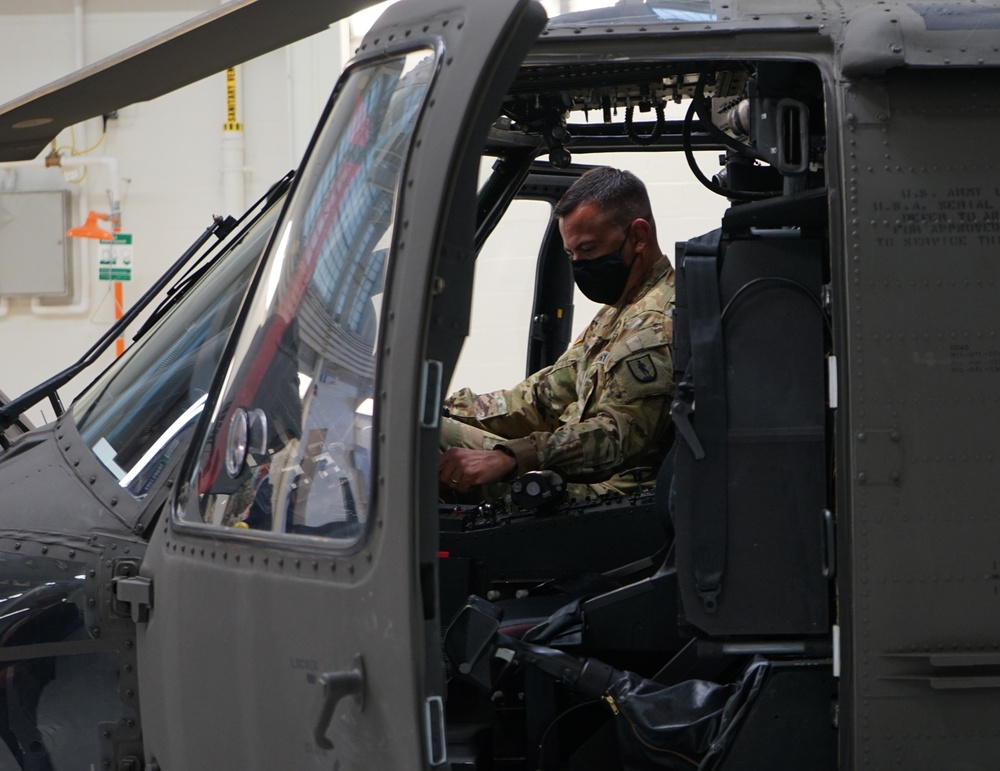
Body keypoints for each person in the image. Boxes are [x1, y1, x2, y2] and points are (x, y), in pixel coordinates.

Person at [439, 167, 675, 501]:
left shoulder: (653, 324)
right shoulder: (617, 312)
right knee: (429, 431)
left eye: (588, 250)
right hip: (574, 475)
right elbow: (539, 398)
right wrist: (447, 409)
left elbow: (618, 438)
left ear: (638, 237)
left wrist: (512, 458)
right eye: (571, 254)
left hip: (613, 498)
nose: (579, 265)